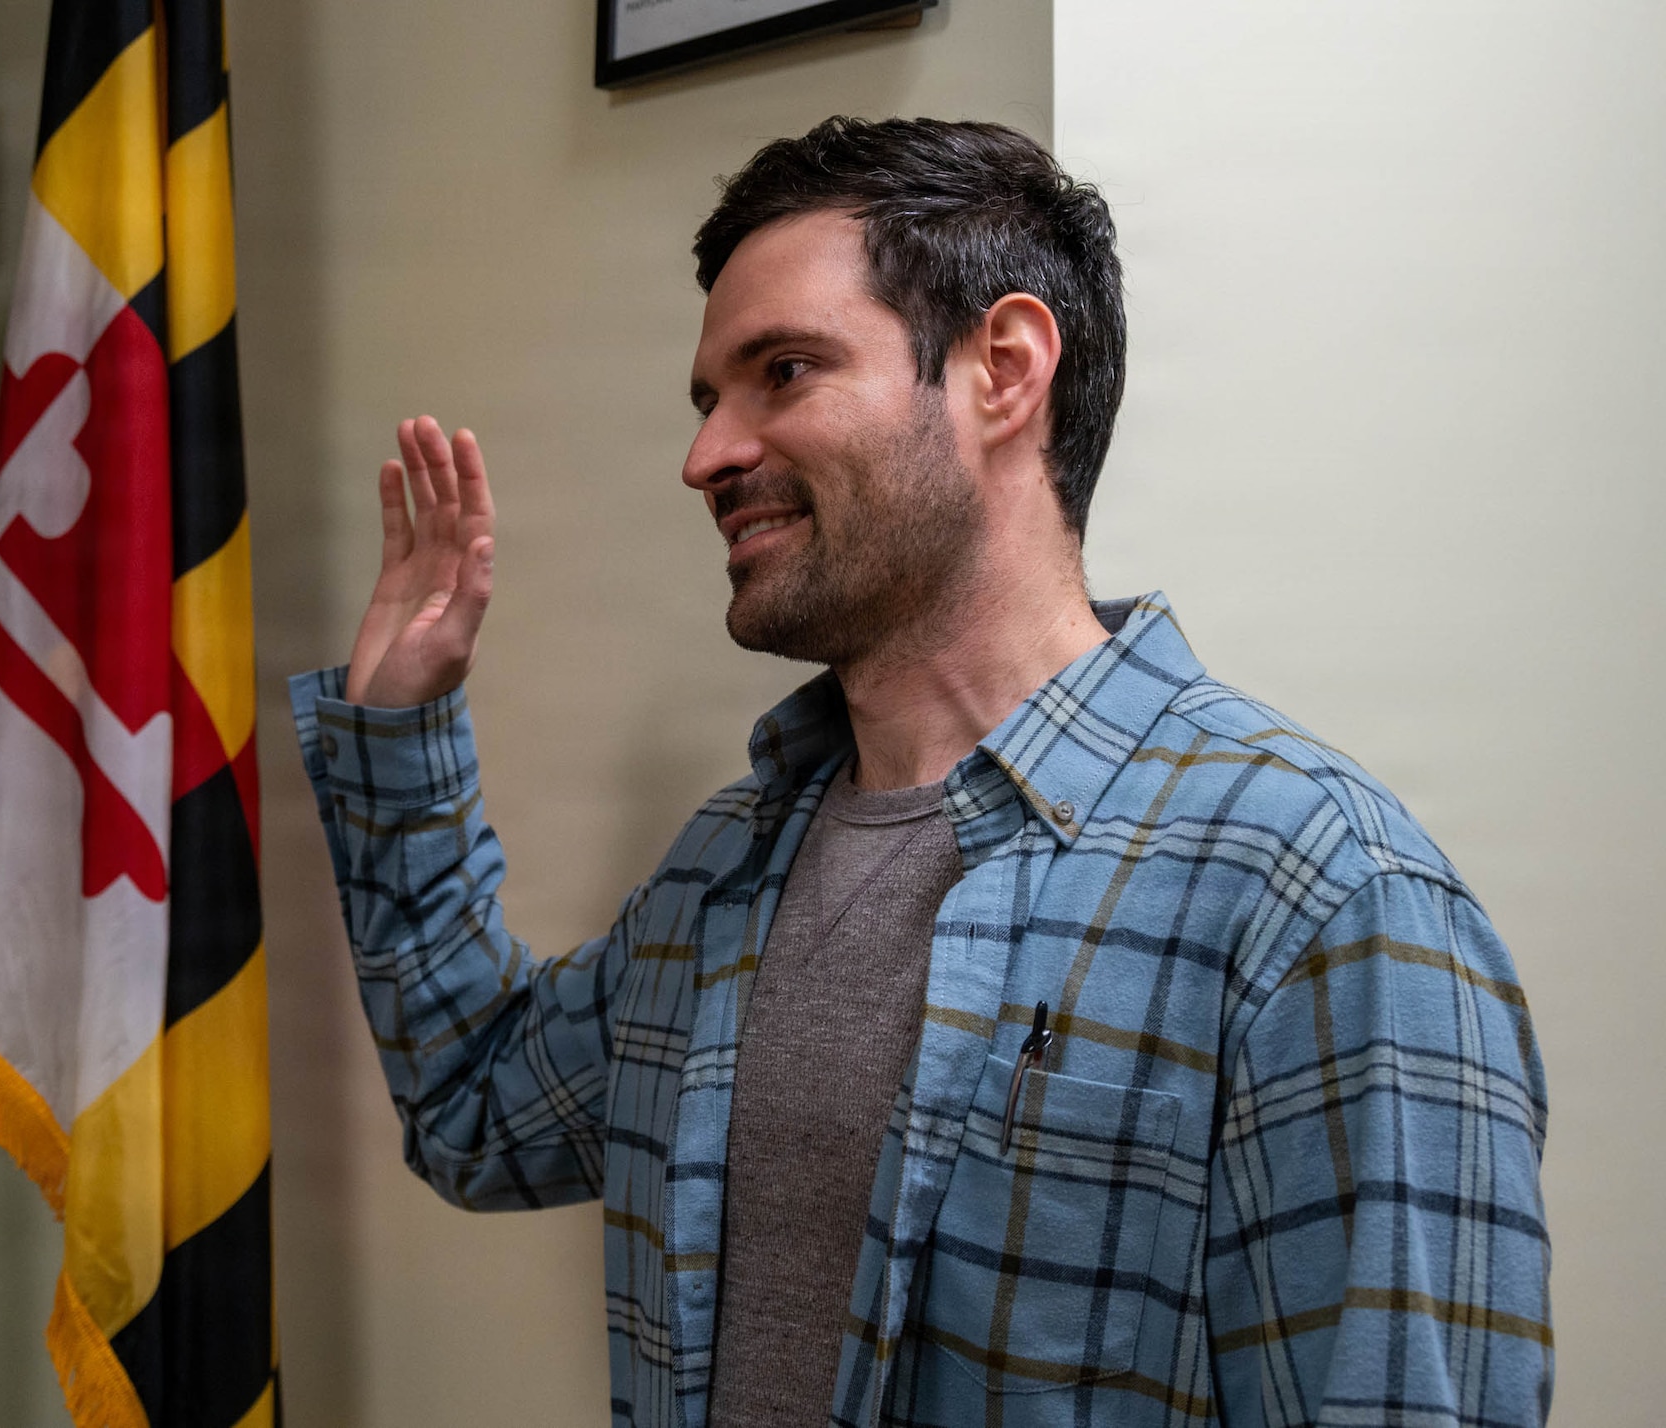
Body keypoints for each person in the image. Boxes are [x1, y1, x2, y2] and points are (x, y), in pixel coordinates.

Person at [290, 117, 1551, 1428]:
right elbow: (477, 1111)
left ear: (1002, 371)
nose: (707, 455)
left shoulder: (1322, 902)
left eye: (782, 371)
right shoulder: (727, 869)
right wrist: (399, 729)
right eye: (708, 399)